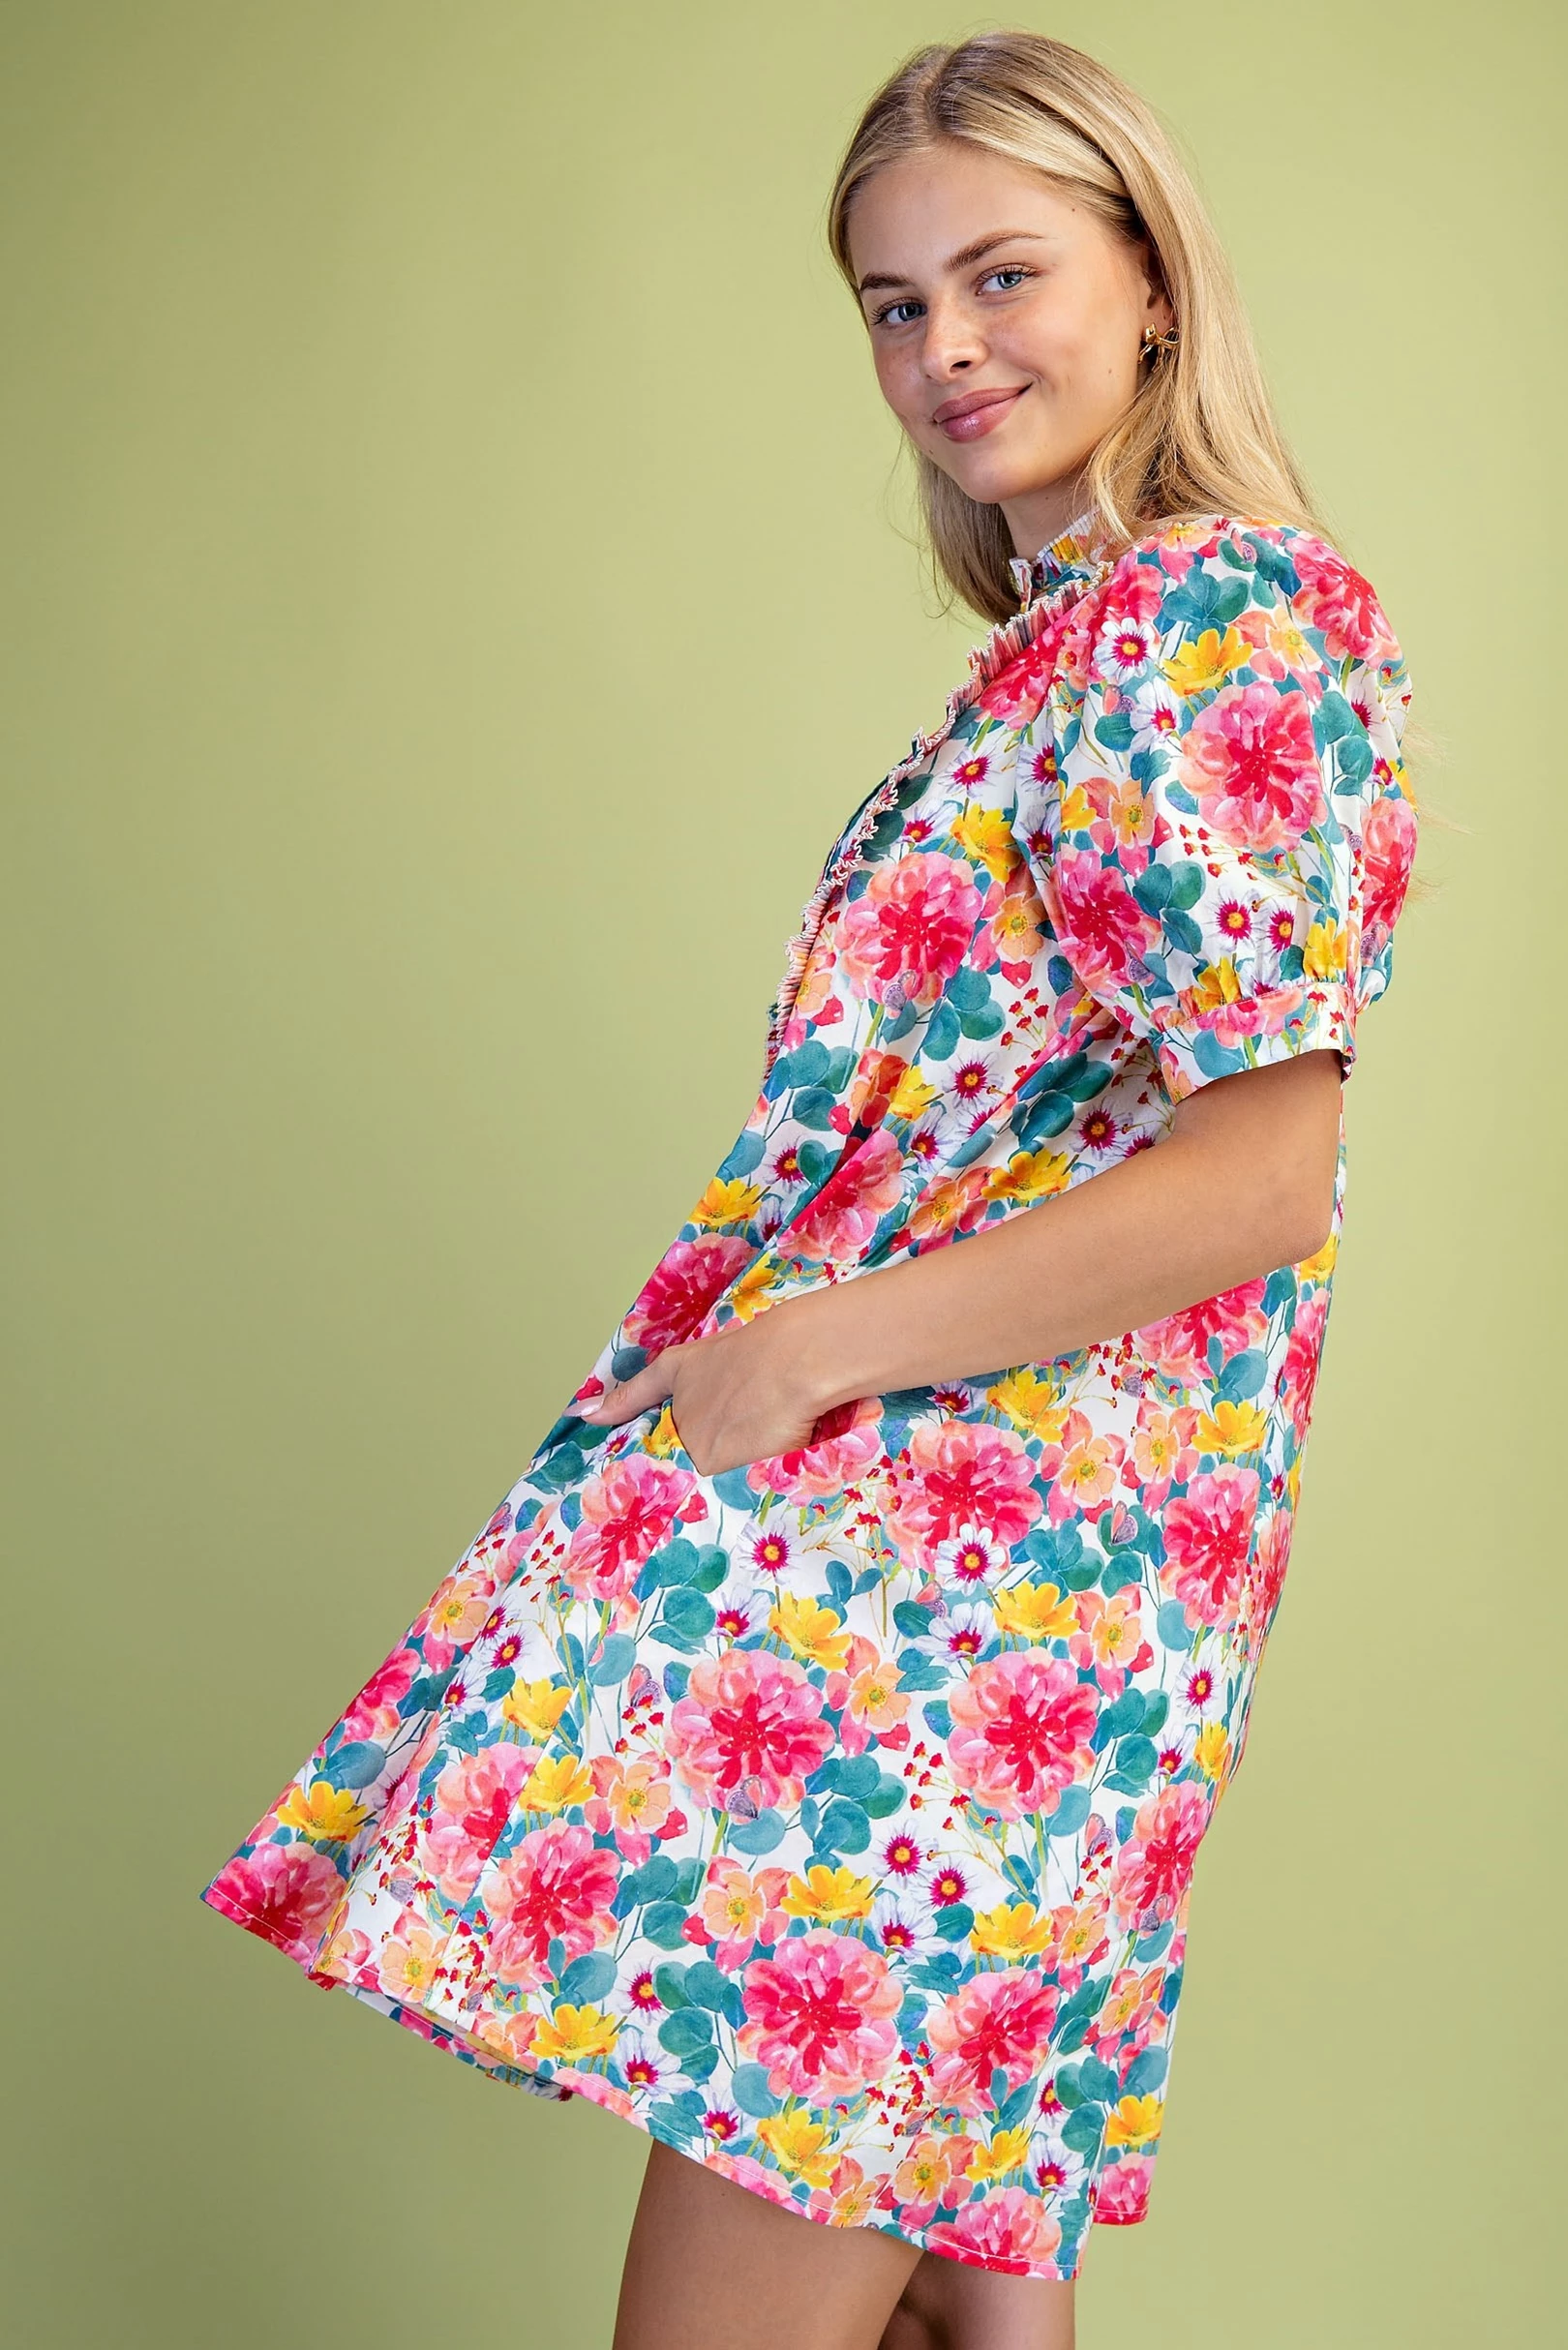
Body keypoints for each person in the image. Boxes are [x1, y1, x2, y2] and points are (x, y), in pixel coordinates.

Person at [199, 29, 1420, 2350]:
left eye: (1003, 273)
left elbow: (1262, 1177)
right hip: (943, 1617)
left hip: (978, 1635)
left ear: (1154, 281)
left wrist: (799, 1350)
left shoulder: (1216, 622)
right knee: (974, 2314)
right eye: (892, 302)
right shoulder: (1058, 661)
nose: (946, 346)